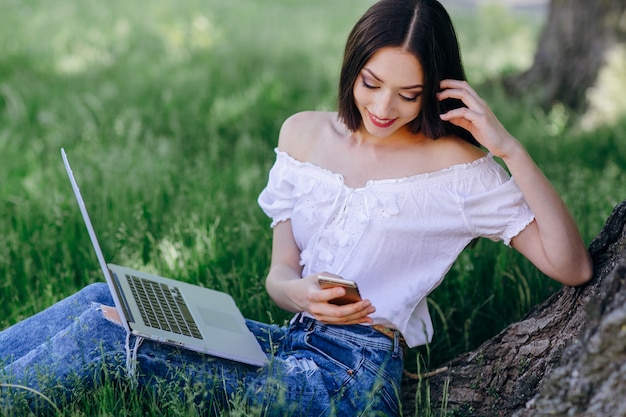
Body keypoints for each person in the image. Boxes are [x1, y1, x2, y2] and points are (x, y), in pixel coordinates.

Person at [0, 0, 593, 415]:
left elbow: (571, 267)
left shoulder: (457, 169)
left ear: (437, 88)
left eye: (408, 94)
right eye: (370, 82)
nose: (384, 107)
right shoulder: (304, 137)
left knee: (106, 341)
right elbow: (279, 276)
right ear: (350, 66)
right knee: (105, 300)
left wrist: (509, 147)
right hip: (286, 341)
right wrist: (300, 294)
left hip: (349, 382)